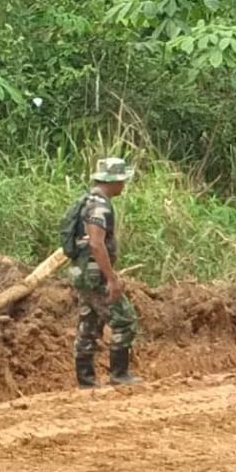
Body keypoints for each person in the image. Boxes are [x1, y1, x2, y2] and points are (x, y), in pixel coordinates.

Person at [71, 157, 141, 388]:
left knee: (88, 324)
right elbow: (96, 244)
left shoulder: (87, 200)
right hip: (94, 274)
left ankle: (86, 381)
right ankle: (119, 374)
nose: (124, 185)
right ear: (113, 181)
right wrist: (111, 278)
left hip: (83, 273)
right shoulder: (99, 205)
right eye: (122, 180)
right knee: (125, 319)